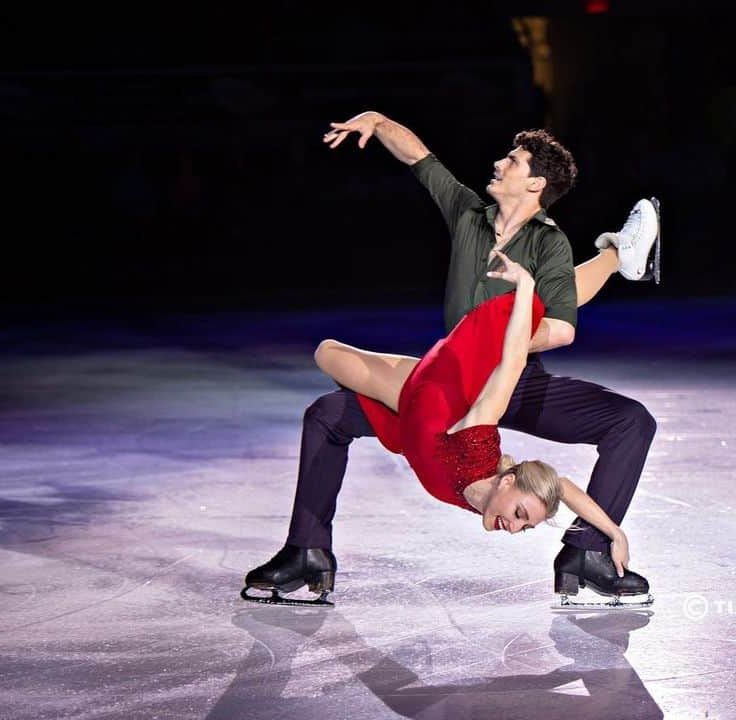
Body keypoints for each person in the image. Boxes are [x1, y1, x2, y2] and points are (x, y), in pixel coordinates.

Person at [242, 112, 659, 608]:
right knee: (328, 414)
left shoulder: (549, 242)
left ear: (535, 183)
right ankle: (307, 551)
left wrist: (495, 344)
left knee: (632, 421)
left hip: (512, 381)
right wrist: (377, 122)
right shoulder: (468, 213)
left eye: (513, 160)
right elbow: (421, 159)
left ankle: (586, 554)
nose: (500, 163)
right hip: (448, 383)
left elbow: (562, 329)